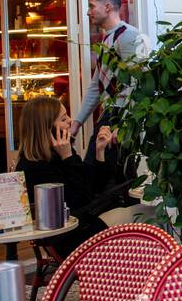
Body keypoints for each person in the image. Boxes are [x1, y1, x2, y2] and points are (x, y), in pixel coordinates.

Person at [14, 95, 122, 255]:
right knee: (142, 222)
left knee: (140, 215)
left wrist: (100, 151)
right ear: (47, 128)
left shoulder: (60, 153)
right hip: (71, 239)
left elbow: (94, 186)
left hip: (85, 229)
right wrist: (68, 158)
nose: (71, 121)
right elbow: (82, 199)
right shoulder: (34, 166)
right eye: (64, 119)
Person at [70, 0, 147, 166]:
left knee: (103, 172)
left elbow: (139, 82)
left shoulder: (127, 35)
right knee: (104, 172)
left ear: (107, 7)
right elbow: (96, 86)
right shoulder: (109, 38)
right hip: (111, 113)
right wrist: (77, 122)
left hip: (119, 115)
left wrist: (125, 123)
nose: (88, 12)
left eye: (91, 6)